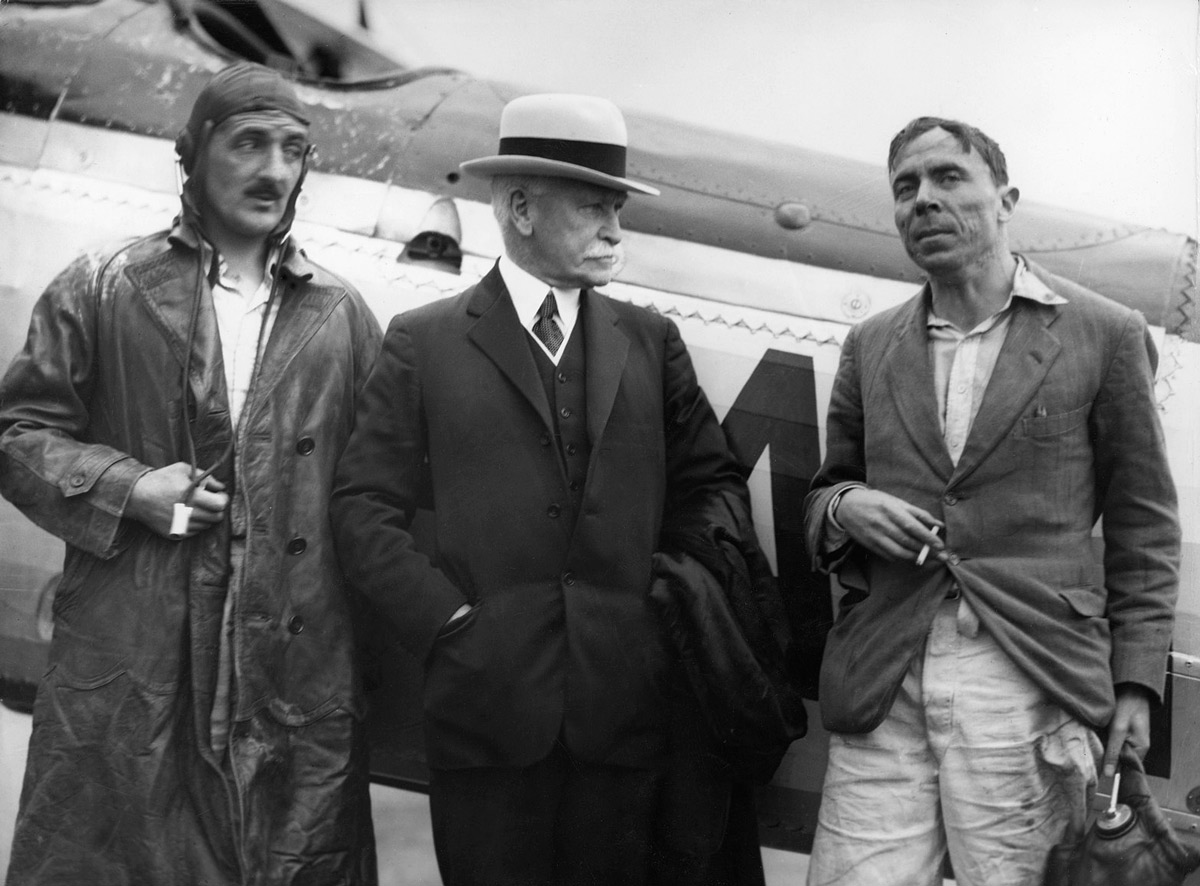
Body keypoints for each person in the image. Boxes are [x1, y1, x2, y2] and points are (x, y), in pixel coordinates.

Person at [330, 93, 751, 886]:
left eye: (617, 209)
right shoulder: (424, 341)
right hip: (484, 716)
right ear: (521, 209)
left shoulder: (651, 342)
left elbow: (713, 485)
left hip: (623, 714)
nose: (615, 230)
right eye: (595, 206)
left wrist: (654, 611)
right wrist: (446, 624)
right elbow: (363, 505)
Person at [0, 62, 381, 885]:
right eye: (249, 144)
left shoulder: (342, 317)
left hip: (285, 668)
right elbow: (17, 433)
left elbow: (376, 495)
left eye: (293, 150)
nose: (274, 170)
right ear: (193, 153)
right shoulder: (104, 283)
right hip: (135, 657)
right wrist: (129, 488)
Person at [803, 116, 1180, 885]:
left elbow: (1143, 525)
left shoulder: (1104, 334)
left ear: (1006, 200)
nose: (923, 200)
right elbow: (825, 491)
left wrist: (1137, 682)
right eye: (905, 187)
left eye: (948, 177)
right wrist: (846, 508)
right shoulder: (870, 343)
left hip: (1031, 676)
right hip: (888, 677)